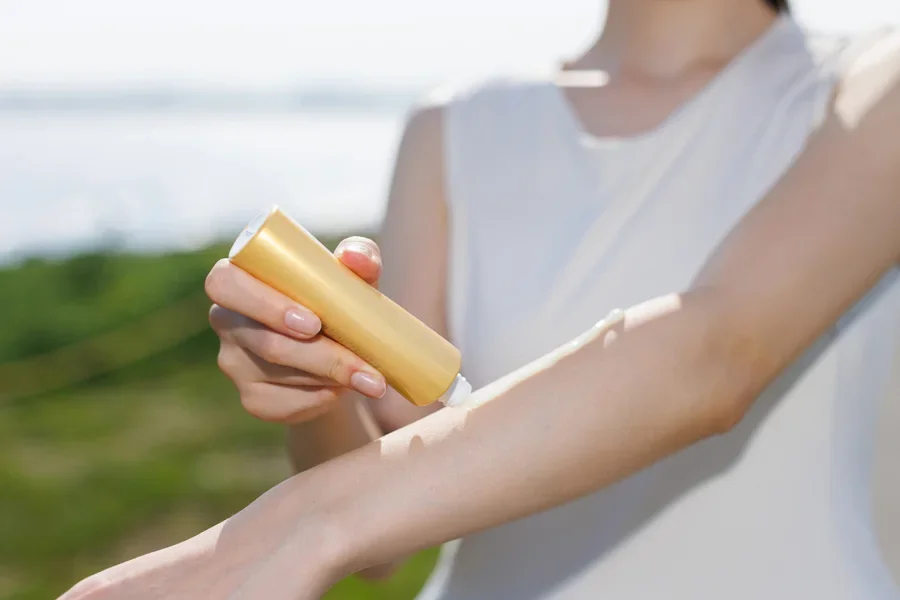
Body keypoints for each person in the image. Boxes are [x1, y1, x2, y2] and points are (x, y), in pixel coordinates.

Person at [63, 0, 900, 598]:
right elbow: (392, 525)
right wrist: (314, 387)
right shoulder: (455, 124)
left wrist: (281, 528)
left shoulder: (871, 84)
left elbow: (716, 353)